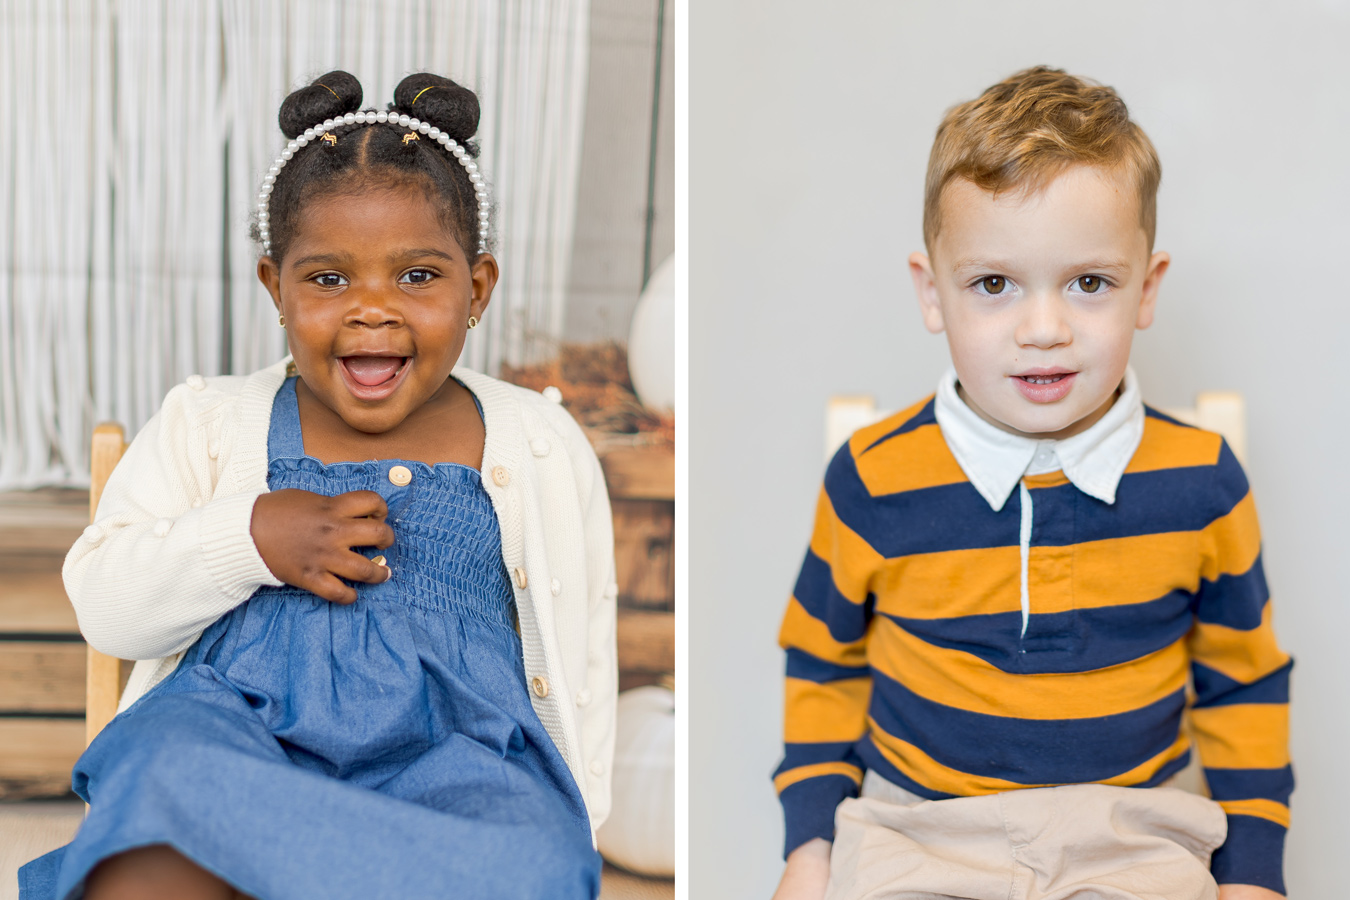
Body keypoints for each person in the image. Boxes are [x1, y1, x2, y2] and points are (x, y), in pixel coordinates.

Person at [19, 70, 616, 900]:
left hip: (454, 760)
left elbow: (582, 644)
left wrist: (576, 808)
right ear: (276, 288)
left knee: (543, 862)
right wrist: (249, 536)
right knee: (164, 782)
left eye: (417, 276)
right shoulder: (212, 420)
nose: (372, 308)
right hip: (242, 736)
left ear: (477, 288)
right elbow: (108, 610)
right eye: (329, 279)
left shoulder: (539, 442)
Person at [771, 67, 1291, 900]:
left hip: (1136, 833)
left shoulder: (1203, 483)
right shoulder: (872, 477)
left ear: (1145, 289)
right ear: (931, 292)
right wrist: (810, 847)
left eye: (1089, 283)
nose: (1043, 329)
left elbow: (1245, 680)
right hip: (918, 831)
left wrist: (1254, 874)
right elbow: (823, 665)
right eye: (993, 284)